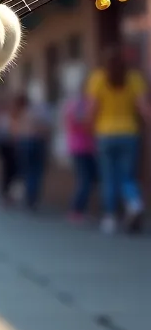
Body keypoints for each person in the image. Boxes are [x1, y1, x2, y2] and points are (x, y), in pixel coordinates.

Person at [87, 46, 149, 235]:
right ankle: (134, 202)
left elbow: (92, 110)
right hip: (129, 133)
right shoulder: (134, 79)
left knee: (108, 177)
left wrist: (88, 129)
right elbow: (144, 107)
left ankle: (110, 217)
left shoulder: (98, 79)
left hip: (105, 134)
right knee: (127, 175)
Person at [62, 64, 97, 223]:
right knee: (85, 179)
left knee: (88, 178)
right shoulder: (79, 103)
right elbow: (80, 122)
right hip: (81, 146)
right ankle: (76, 210)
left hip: (85, 146)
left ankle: (80, 209)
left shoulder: (78, 102)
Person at [12, 81, 51, 210]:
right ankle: (32, 198)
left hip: (25, 143)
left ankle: (29, 197)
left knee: (28, 171)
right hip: (35, 142)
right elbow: (43, 128)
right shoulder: (36, 111)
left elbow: (16, 131)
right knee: (35, 172)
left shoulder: (20, 113)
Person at [0, 90, 18, 206]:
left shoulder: (7, 116)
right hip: (6, 147)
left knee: (9, 171)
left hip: (9, 146)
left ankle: (6, 193)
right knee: (7, 171)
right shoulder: (3, 117)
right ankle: (5, 193)